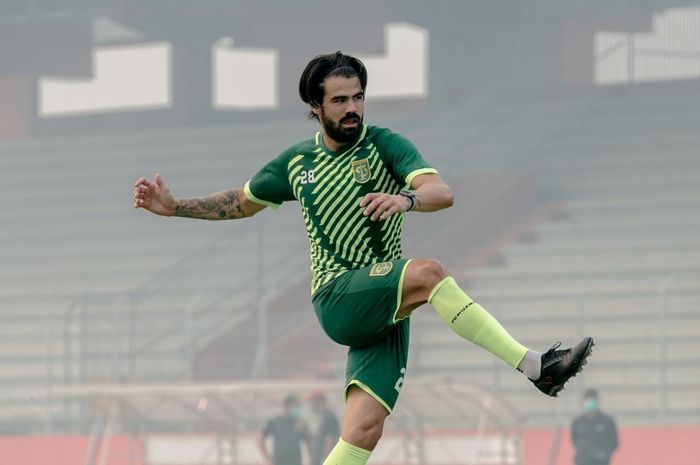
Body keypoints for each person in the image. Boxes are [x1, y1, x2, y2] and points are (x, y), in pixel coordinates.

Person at [134, 51, 594, 465]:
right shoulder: (296, 164)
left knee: (362, 434)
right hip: (338, 295)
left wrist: (407, 201)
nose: (352, 107)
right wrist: (174, 208)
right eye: (339, 100)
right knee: (430, 273)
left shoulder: (386, 144)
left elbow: (441, 192)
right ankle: (537, 367)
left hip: (385, 307)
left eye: (357, 97)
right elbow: (242, 201)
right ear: (315, 109)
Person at [259, 394, 310, 465]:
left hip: (296, 462)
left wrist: (310, 459)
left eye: (297, 406)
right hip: (279, 461)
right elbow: (261, 439)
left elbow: (309, 441)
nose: (296, 409)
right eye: (294, 406)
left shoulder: (300, 422)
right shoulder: (275, 421)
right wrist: (268, 458)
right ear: (286, 406)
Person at [571, 389, 618, 465]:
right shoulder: (578, 421)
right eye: (588, 400)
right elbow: (574, 440)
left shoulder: (607, 421)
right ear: (583, 402)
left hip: (601, 461)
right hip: (582, 460)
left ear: (598, 401)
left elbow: (614, 442)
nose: (590, 402)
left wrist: (604, 453)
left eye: (593, 399)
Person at [307, 391, 340, 465]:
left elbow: (330, 439)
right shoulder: (321, 415)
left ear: (319, 401)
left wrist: (326, 459)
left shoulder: (329, 416)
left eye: (312, 402)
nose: (311, 405)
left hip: (325, 459)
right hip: (319, 458)